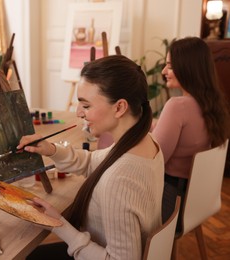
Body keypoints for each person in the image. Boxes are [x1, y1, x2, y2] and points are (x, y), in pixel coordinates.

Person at [21, 55, 164, 259]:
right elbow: (92, 162)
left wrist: (59, 225)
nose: (79, 113)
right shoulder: (147, 142)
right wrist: (51, 149)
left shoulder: (119, 178)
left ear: (120, 107)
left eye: (86, 106)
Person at [151, 37, 230, 222]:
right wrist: (155, 125)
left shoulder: (178, 106)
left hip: (170, 204)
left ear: (187, 68)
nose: (164, 71)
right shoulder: (213, 104)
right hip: (195, 200)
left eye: (169, 66)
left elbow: (155, 159)